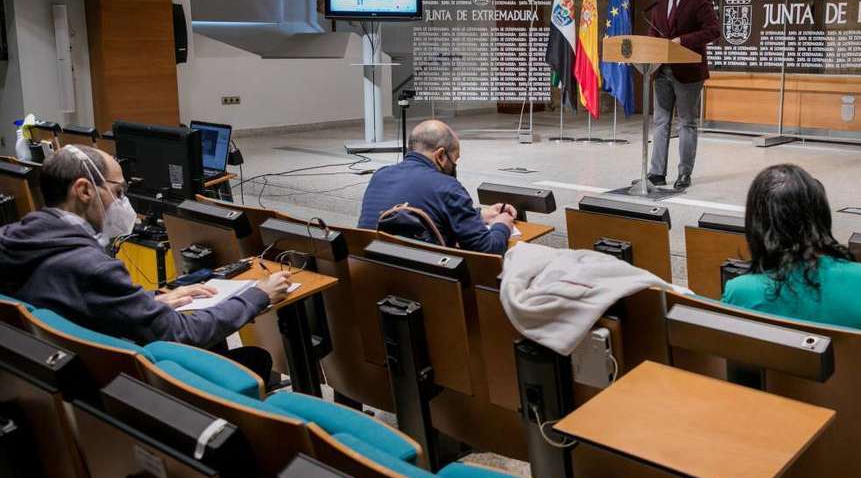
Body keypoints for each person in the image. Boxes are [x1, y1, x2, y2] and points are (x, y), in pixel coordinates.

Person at [0, 145, 292, 354]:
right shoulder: (93, 267)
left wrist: (152, 302)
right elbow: (183, 333)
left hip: (60, 360)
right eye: (118, 192)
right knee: (254, 359)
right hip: (116, 379)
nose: (123, 204)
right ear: (85, 190)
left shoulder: (15, 239)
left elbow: (82, 301)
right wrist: (258, 295)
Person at [721, 164, 861, 424]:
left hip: (782, 446)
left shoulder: (740, 293)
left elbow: (739, 386)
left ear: (756, 225)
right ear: (822, 216)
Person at [358, 120, 516, 254]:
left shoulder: (380, 175)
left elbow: (428, 207)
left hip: (372, 275)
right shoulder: (447, 186)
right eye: (455, 159)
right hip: (427, 282)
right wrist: (502, 224)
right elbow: (488, 249)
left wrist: (480, 215)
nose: (455, 165)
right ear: (440, 155)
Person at [644, 0, 721, 190]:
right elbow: (653, 32)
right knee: (660, 122)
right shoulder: (659, 0)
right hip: (661, 70)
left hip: (688, 71)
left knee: (686, 122)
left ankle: (684, 173)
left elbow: (713, 31)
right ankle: (656, 173)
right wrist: (649, 49)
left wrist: (682, 41)